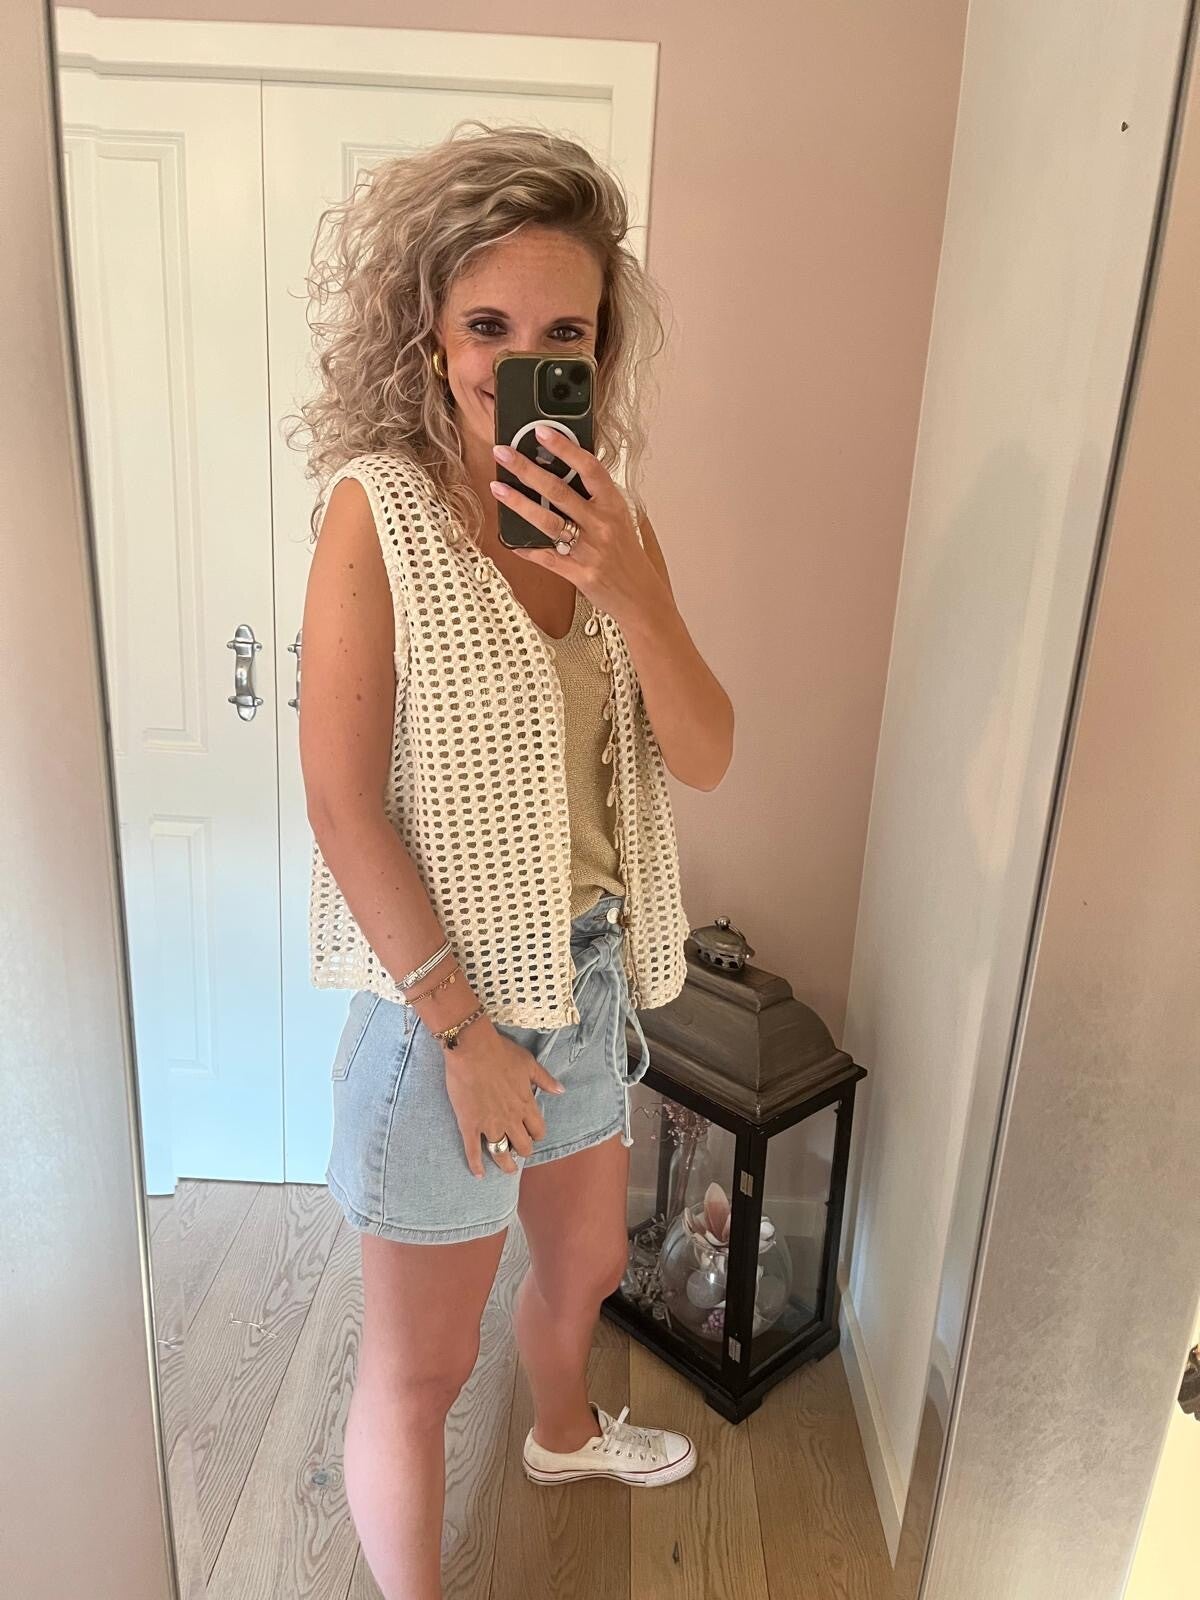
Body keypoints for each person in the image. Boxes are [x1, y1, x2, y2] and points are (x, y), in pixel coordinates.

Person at [293, 121, 734, 1600]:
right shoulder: (378, 513)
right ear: (428, 327)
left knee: (589, 1263)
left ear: (600, 351)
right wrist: (466, 1036)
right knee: (419, 1368)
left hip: (590, 978)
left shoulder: (610, 521)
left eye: (564, 334)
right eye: (488, 325)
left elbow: (707, 750)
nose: (520, 360)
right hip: (447, 1009)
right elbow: (344, 806)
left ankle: (559, 1434)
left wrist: (632, 589)